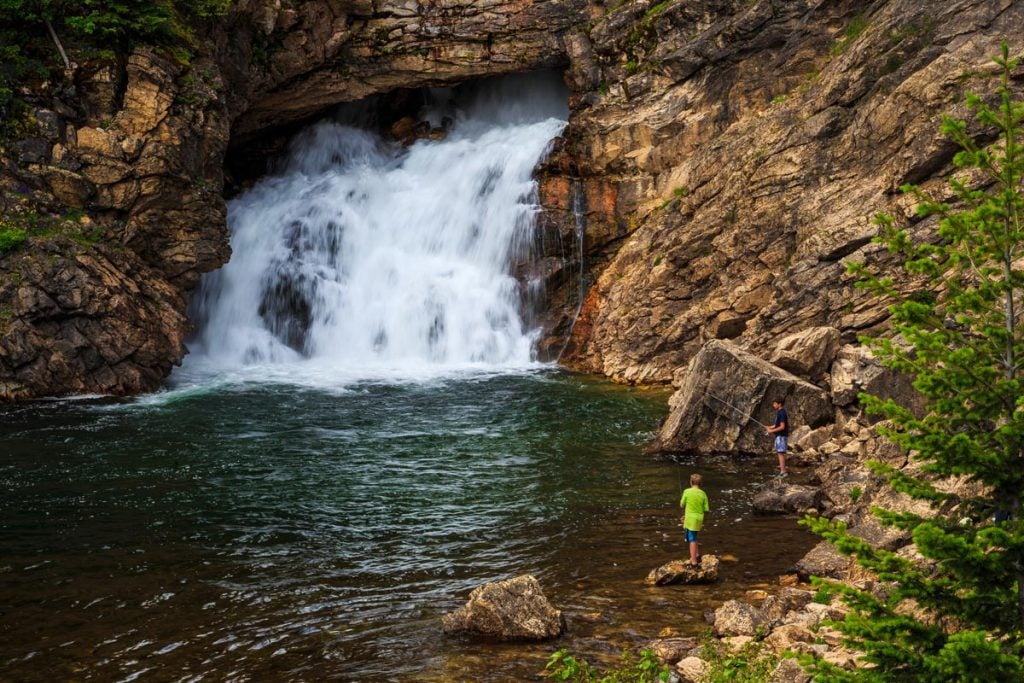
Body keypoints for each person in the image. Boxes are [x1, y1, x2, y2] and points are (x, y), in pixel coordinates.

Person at [679, 473, 710, 568]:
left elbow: (682, 505)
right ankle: (697, 555)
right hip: (699, 518)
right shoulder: (703, 493)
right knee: (695, 536)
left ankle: (694, 562)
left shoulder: (687, 491)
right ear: (700, 483)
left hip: (690, 519)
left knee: (691, 539)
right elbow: (706, 509)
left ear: (691, 482)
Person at [765, 398, 789, 477]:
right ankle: (782, 468)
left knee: (780, 453)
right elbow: (777, 425)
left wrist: (771, 431)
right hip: (780, 435)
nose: (773, 405)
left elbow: (782, 427)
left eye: (775, 403)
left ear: (780, 404)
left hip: (781, 436)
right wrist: (769, 427)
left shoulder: (781, 413)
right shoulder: (780, 412)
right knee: (780, 452)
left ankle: (783, 472)